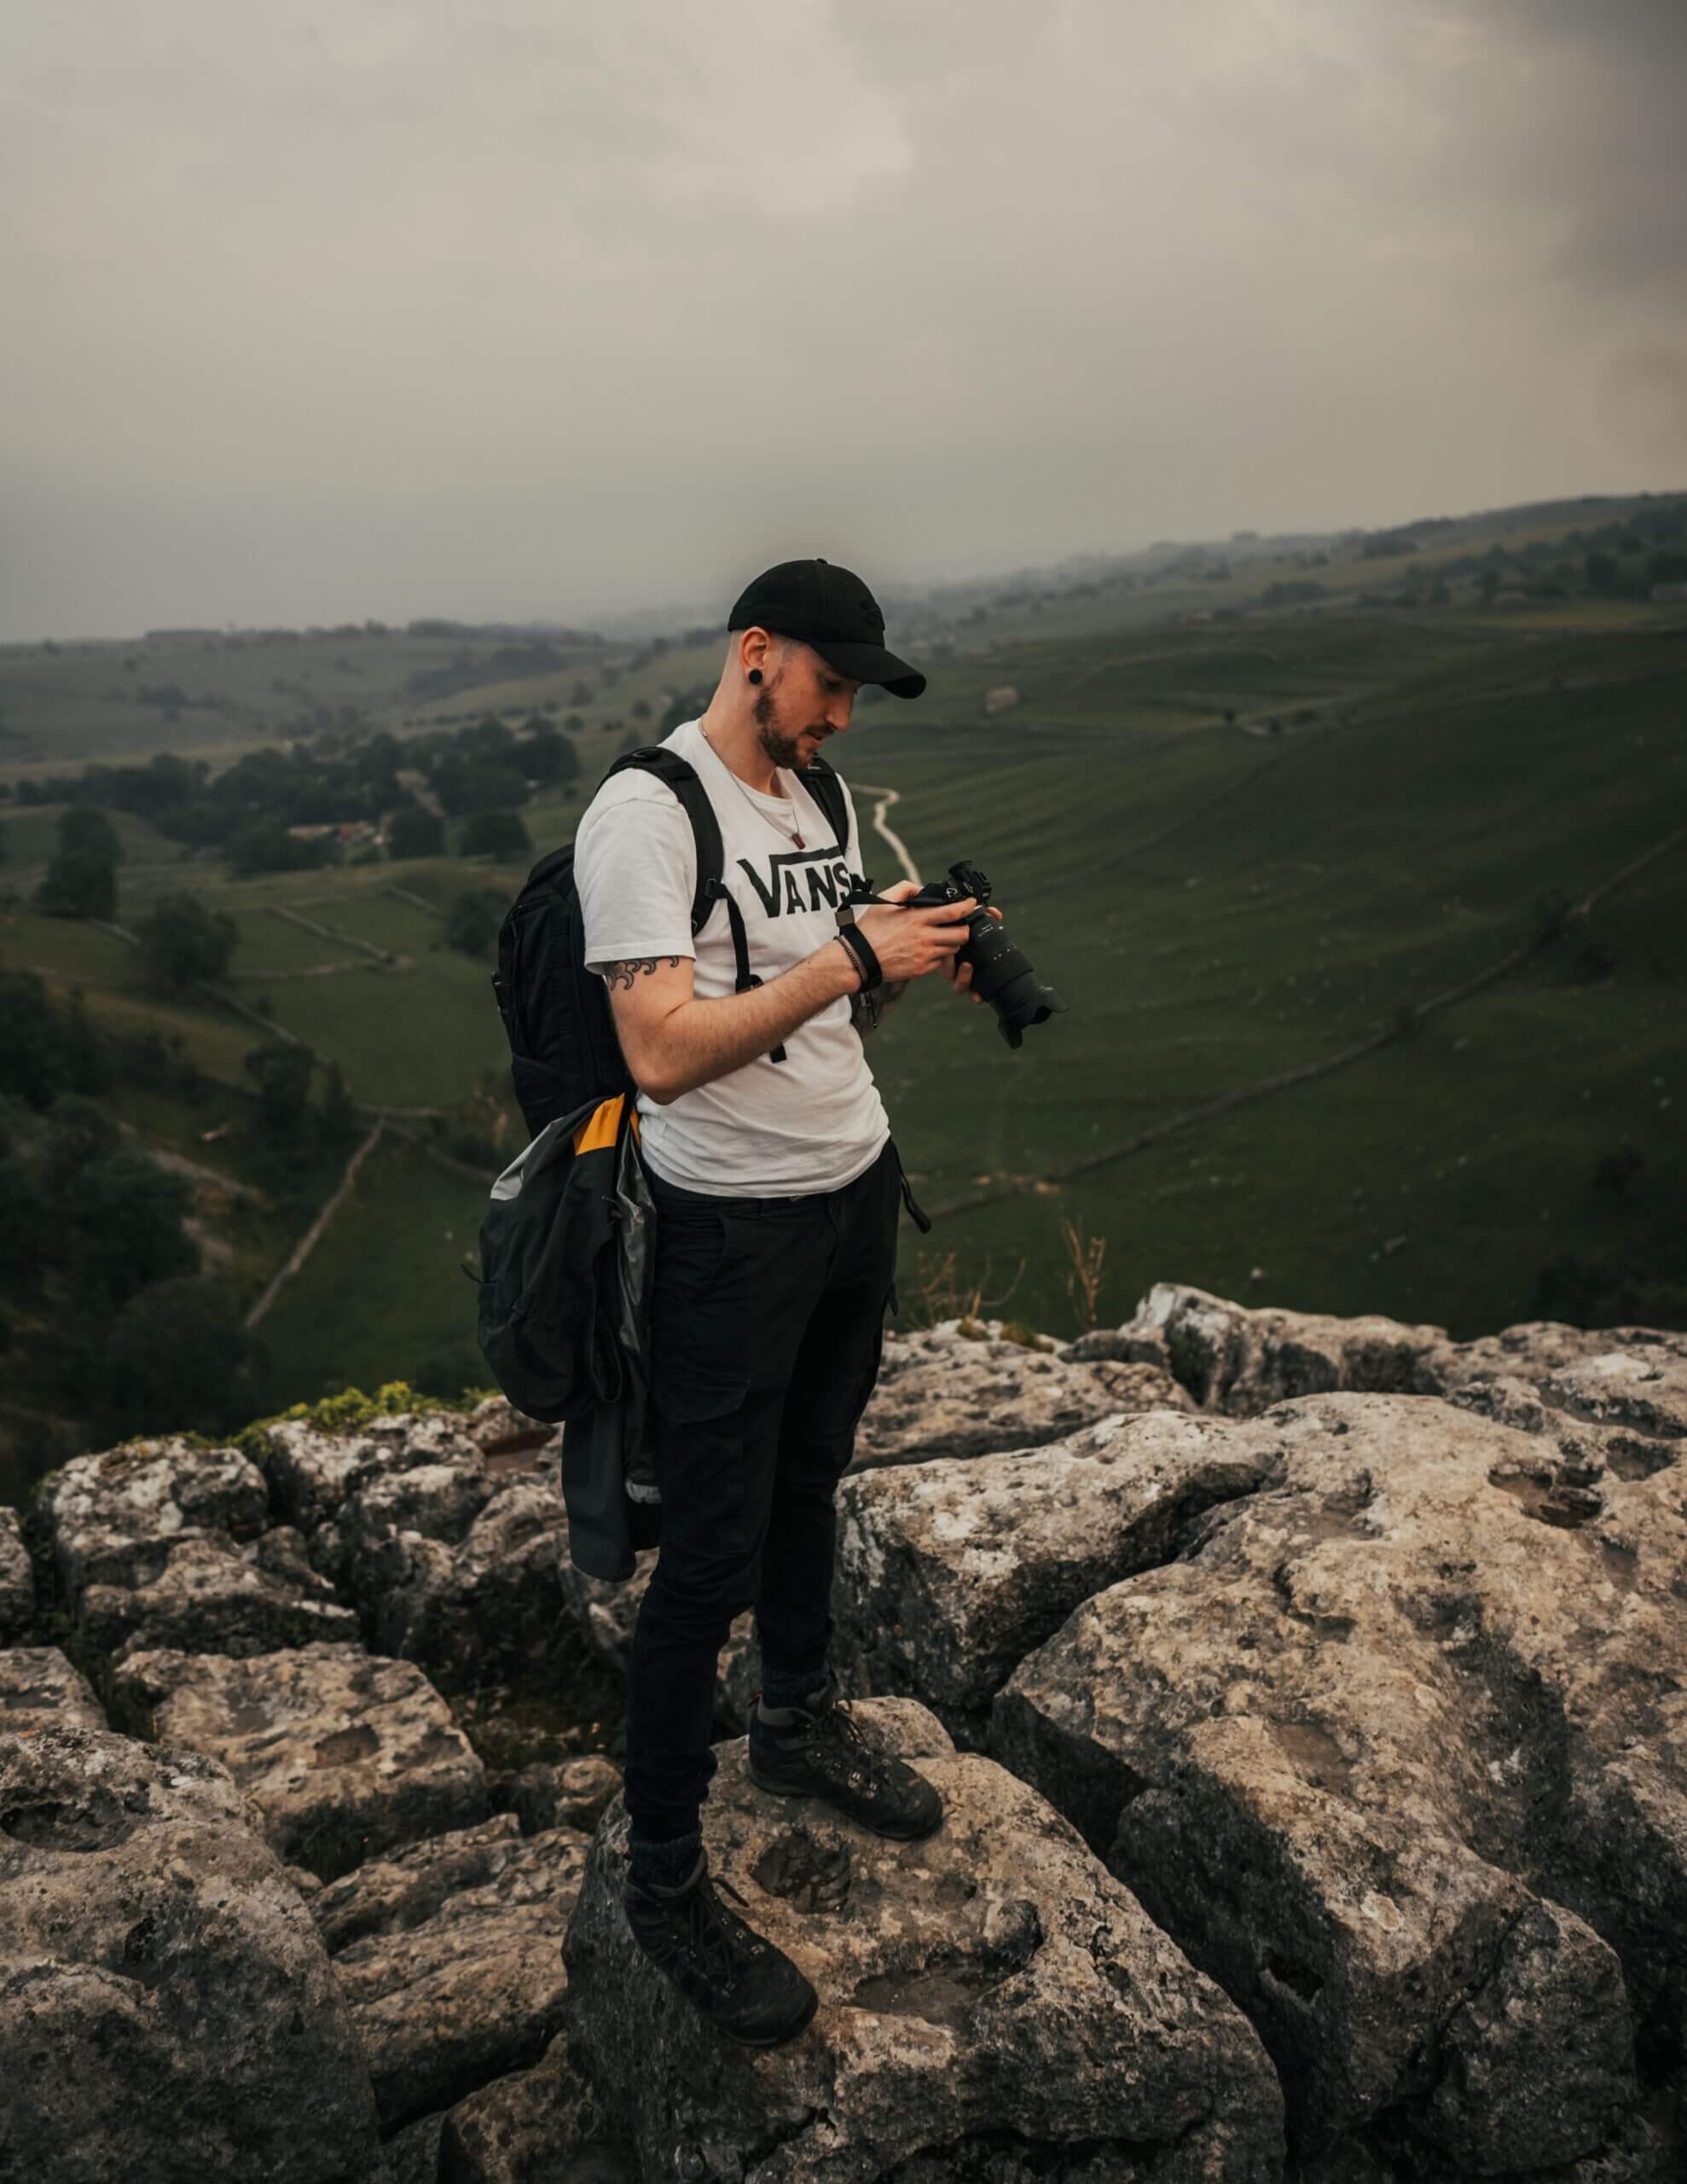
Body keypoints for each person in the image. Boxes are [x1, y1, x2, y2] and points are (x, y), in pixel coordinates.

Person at [572, 557, 999, 2046]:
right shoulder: (645, 815)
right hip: (724, 1233)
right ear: (756, 654)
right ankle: (666, 1874)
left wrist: (896, 945)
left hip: (851, 1191)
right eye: (829, 687)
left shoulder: (813, 804)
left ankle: (797, 1718)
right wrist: (847, 955)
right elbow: (665, 1053)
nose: (842, 721)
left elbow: (809, 993)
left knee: (814, 1475)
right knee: (705, 1555)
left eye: (858, 696)